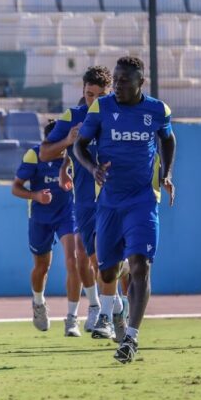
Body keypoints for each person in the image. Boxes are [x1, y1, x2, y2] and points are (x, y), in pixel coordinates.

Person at [74, 56, 176, 364]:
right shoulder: (101, 108)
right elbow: (80, 145)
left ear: (140, 83)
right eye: (115, 80)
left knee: (141, 264)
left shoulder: (157, 110)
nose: (117, 85)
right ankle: (115, 308)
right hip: (109, 202)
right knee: (107, 270)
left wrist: (167, 173)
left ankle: (130, 337)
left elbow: (168, 140)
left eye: (124, 81)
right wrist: (92, 168)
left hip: (143, 200)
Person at [40, 66, 129, 339]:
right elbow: (44, 153)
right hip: (85, 203)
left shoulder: (121, 115)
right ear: (83, 92)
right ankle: (115, 305)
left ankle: (104, 314)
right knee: (93, 260)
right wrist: (68, 140)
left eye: (100, 94)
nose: (94, 100)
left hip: (115, 199)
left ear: (110, 92)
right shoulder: (73, 117)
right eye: (89, 94)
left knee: (104, 260)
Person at [13, 121, 82, 336]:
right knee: (42, 267)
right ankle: (38, 302)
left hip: (66, 215)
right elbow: (15, 188)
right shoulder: (34, 156)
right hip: (40, 218)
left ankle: (72, 319)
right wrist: (35, 196)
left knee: (74, 260)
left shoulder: (74, 155)